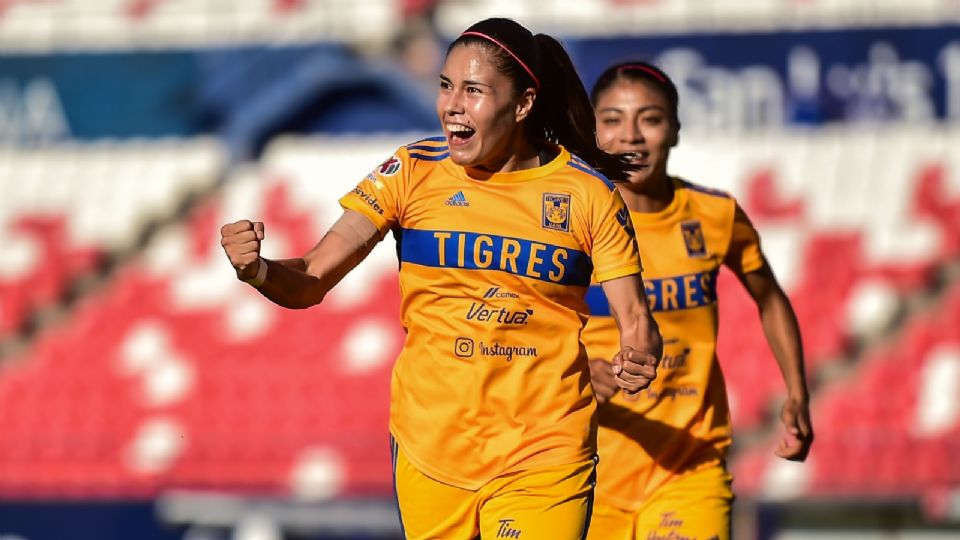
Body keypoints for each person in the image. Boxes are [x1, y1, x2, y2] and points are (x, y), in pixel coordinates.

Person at [220, 20, 663, 540]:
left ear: (522, 105)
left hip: (545, 449)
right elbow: (313, 277)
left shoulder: (588, 196)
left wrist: (638, 353)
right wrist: (260, 270)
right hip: (432, 449)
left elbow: (636, 318)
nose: (453, 104)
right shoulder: (410, 172)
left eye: (473, 90)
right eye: (446, 86)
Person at [582, 61, 814, 540]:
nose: (631, 136)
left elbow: (769, 298)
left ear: (675, 131)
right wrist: (577, 373)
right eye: (612, 120)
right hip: (585, 467)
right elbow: (518, 328)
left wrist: (796, 391)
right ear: (592, 132)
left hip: (688, 465)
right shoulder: (566, 224)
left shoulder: (715, 214)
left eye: (649, 118)